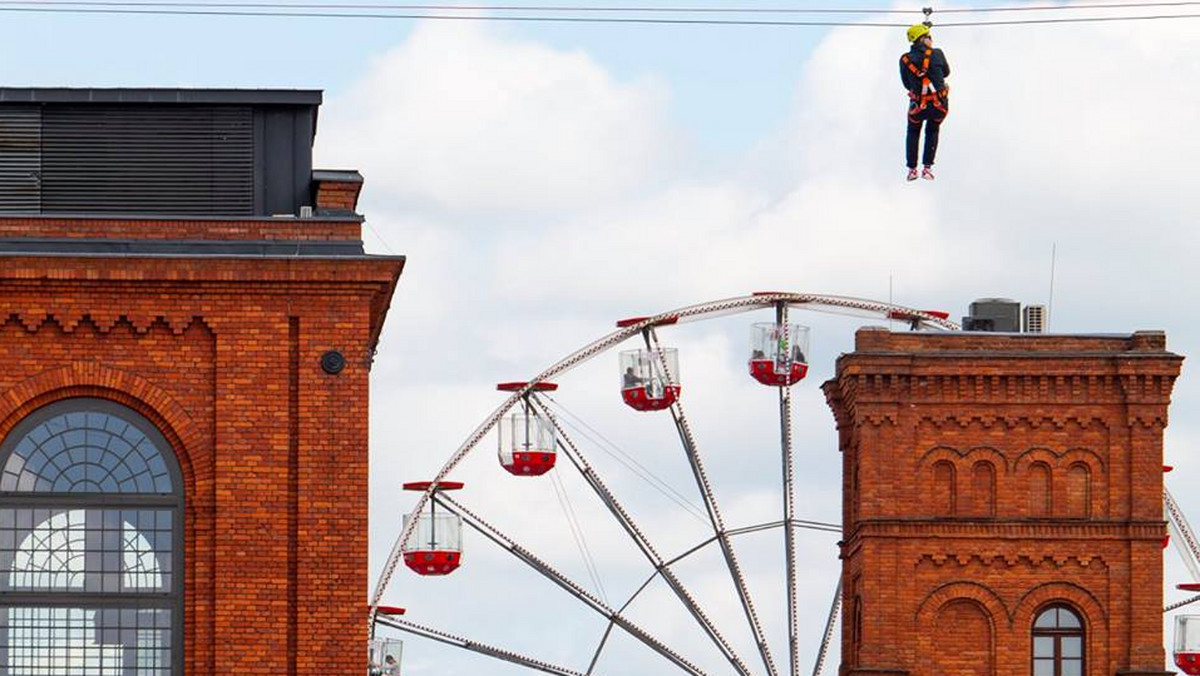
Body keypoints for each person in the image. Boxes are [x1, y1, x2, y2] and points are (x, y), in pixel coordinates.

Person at [900, 24, 950, 181]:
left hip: (918, 107)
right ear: (923, 39)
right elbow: (947, 72)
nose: (931, 39)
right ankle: (927, 168)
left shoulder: (905, 59)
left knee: (913, 131)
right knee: (933, 130)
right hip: (939, 105)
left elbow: (907, 84)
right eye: (929, 36)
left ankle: (912, 169)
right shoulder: (937, 53)